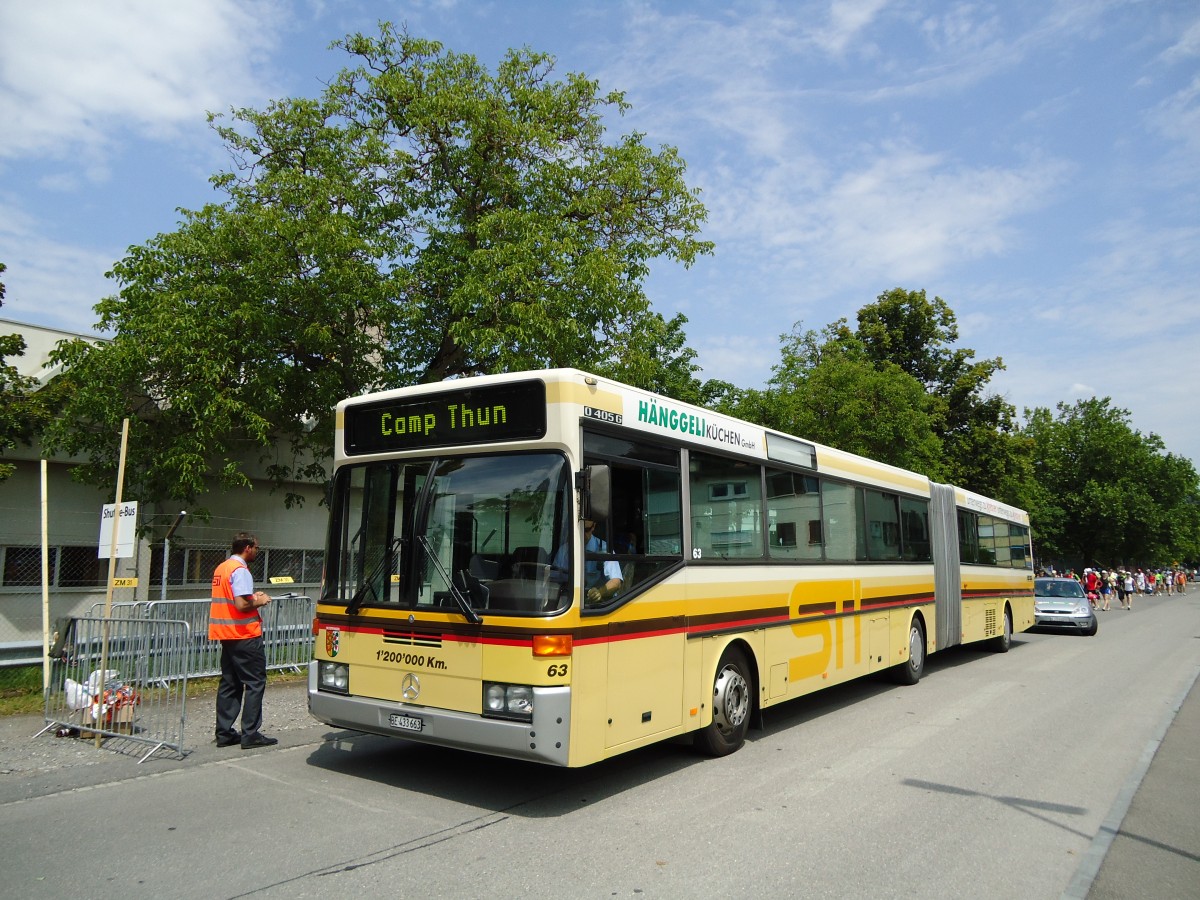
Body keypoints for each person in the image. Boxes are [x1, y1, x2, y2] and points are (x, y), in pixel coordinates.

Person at [208, 533, 277, 749]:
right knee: (255, 682)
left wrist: (252, 597)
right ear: (247, 548)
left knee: (230, 683)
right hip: (244, 635)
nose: (257, 551)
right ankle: (250, 733)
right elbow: (241, 605)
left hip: (226, 634)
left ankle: (224, 733)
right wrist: (261, 601)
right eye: (256, 547)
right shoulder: (241, 571)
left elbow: (233, 599)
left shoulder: (222, 568)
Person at [552, 519, 623, 604]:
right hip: (569, 601)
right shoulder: (564, 550)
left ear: (593, 527)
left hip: (597, 606)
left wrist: (599, 592)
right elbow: (553, 579)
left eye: (586, 530)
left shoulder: (604, 549)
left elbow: (616, 581)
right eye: (579, 530)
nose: (583, 534)